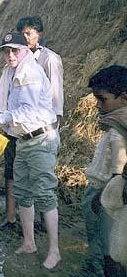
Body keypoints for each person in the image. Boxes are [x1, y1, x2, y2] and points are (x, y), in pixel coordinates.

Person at [0, 31, 61, 270]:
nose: (10, 55)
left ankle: (54, 250)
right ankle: (29, 242)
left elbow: (30, 112)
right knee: (23, 191)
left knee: (44, 193)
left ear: (25, 49)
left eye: (15, 50)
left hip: (41, 138)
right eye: (6, 51)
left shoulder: (30, 73)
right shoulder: (13, 72)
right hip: (23, 139)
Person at [0, 16, 64, 230]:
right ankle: (11, 217)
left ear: (39, 35)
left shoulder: (48, 60)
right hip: (16, 126)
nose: (26, 38)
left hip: (40, 127)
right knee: (13, 172)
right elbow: (6, 95)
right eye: (23, 34)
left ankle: (45, 223)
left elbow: (54, 96)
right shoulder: (11, 66)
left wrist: (54, 126)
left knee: (40, 178)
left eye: (30, 33)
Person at [81, 65, 127, 276]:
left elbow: (119, 173)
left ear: (123, 98)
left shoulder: (119, 128)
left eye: (102, 99)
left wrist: (101, 197)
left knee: (107, 248)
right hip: (106, 194)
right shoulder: (115, 123)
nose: (98, 105)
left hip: (107, 196)